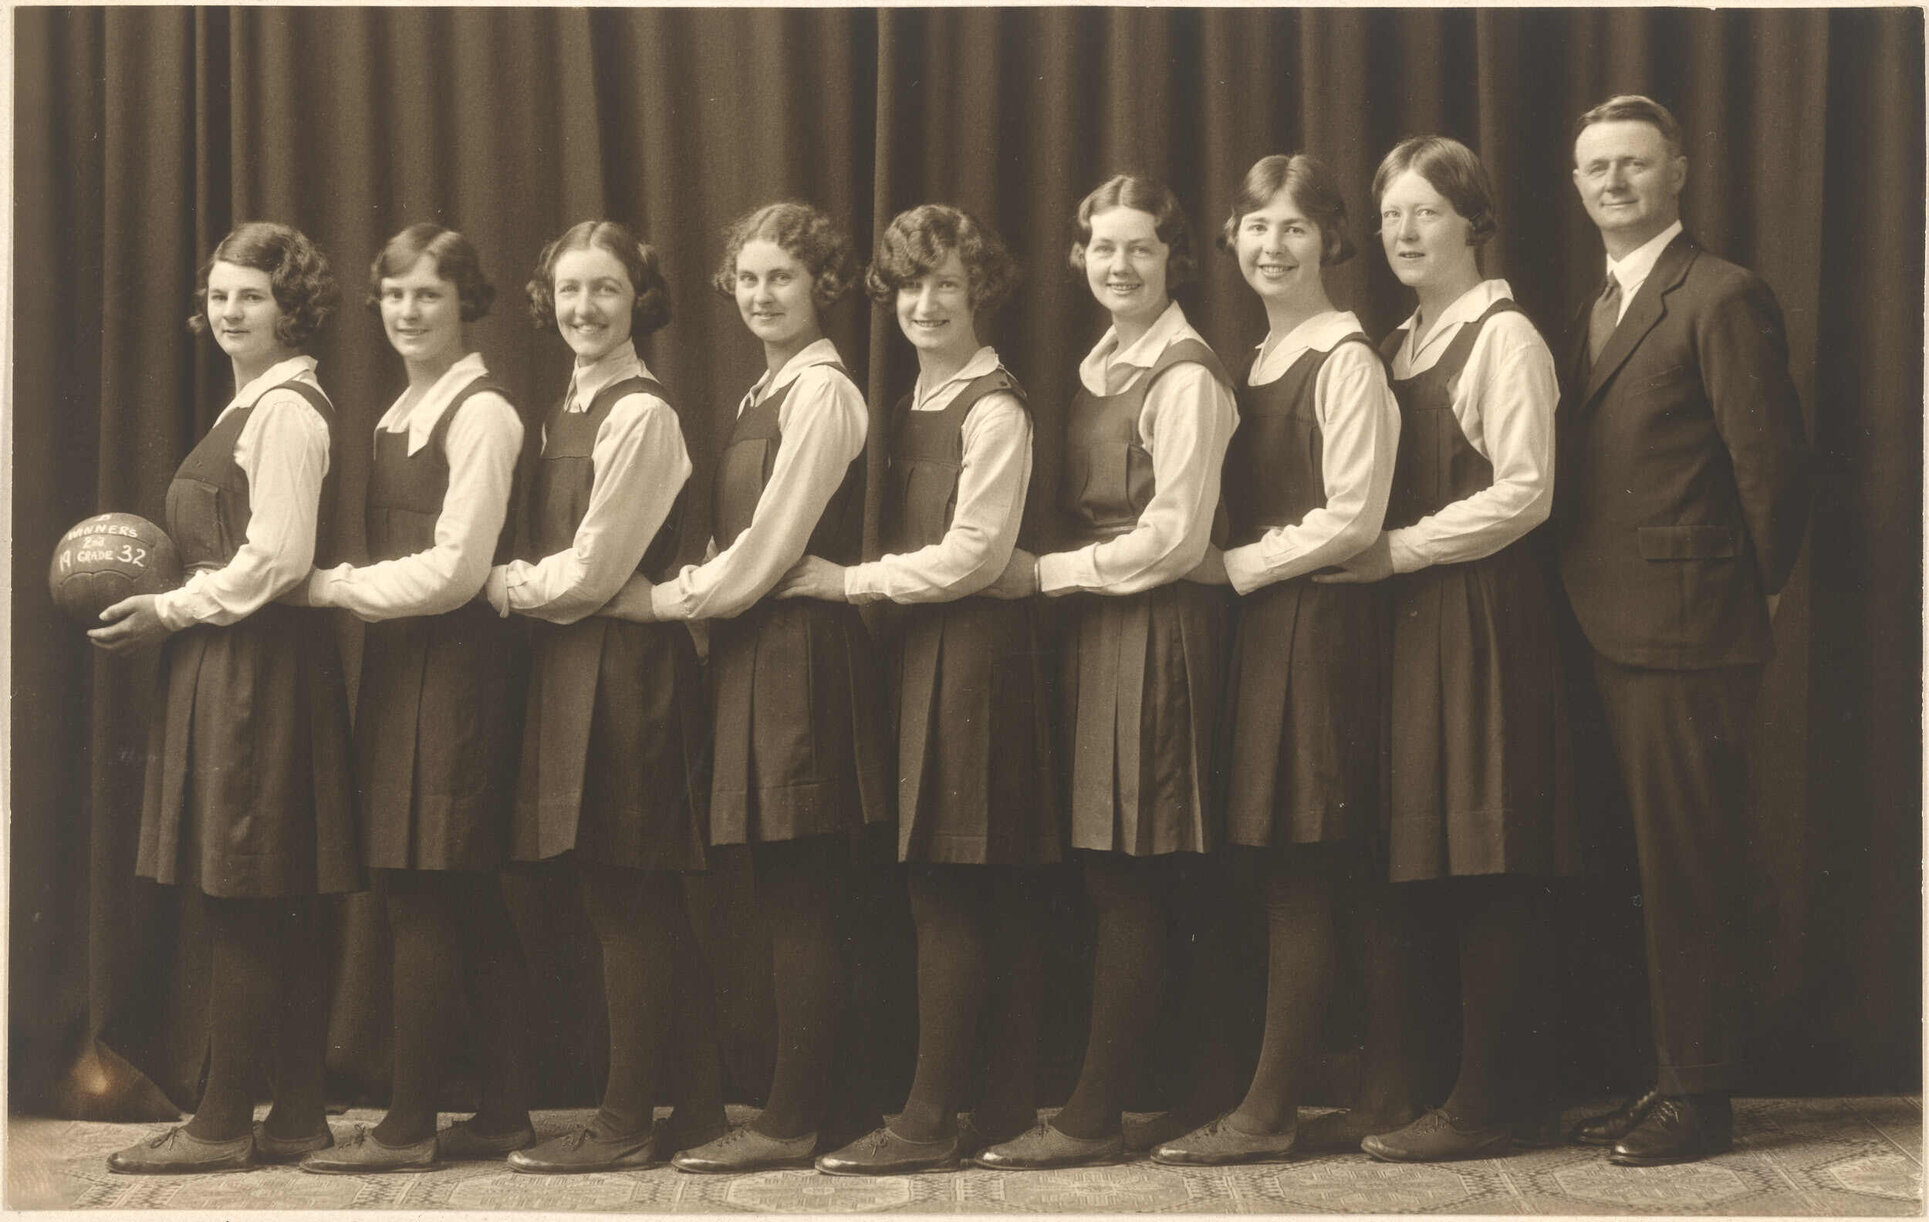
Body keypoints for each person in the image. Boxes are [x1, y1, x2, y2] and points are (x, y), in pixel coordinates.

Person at [599, 201, 890, 1174]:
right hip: (752, 653)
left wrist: (659, 602)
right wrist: (702, 597)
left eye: (784, 279)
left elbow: (768, 550)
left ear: (822, 288)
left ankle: (796, 1119)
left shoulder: (826, 395)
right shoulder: (763, 390)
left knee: (802, 893)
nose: (763, 296)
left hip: (804, 654)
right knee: (772, 892)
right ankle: (797, 1106)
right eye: (751, 278)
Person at [777, 205, 1059, 1175]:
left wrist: (847, 583)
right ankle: (997, 1104)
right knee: (945, 887)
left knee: (950, 887)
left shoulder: (995, 407)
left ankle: (932, 1116)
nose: (926, 303)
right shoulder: (916, 401)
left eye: (946, 282)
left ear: (981, 289)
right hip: (919, 657)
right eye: (910, 286)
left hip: (975, 657)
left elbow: (979, 556)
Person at [1557, 95, 1809, 1166]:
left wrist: (1756, 597)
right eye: (1595, 167)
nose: (1612, 182)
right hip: (1608, 624)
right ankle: (1656, 1078)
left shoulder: (1719, 294)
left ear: (1679, 174)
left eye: (1633, 164)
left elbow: (1772, 468)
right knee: (1640, 868)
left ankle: (1699, 1097)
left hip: (1692, 629)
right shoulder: (1603, 302)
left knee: (1689, 869)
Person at [971, 174, 1238, 1171]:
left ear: (1174, 260)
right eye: (1102, 248)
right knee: (1121, 868)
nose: (1118, 265)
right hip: (1101, 625)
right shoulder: (1100, 364)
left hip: (1158, 623)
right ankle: (1181, 1091)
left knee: (1131, 869)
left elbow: (1175, 536)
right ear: (1079, 258)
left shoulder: (1186, 375)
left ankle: (1092, 1114)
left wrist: (1048, 574)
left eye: (1139, 248)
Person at [1317, 136, 1574, 1162]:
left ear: (1473, 220)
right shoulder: (1396, 343)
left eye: (1425, 212)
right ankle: (1403, 1084)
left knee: (1484, 851)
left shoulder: (1504, 340)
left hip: (1477, 615)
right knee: (1411, 853)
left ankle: (1491, 1099)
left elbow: (1527, 491)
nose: (1403, 233)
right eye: (1389, 218)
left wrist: (1399, 552)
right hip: (1406, 621)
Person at [1149, 154, 1400, 1166]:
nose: (1272, 246)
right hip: (1267, 630)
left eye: (1295, 228)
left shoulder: (1345, 359)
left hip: (1319, 630)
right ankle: (1358, 1089)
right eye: (1256, 228)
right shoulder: (1255, 357)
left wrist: (1232, 566)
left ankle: (1269, 1110)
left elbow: (1355, 517)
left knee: (1309, 864)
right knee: (1292, 867)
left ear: (1333, 241)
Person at [95, 222, 360, 1174]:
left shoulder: (288, 412)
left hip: (259, 668)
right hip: (230, 666)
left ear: (291, 306)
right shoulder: (249, 405)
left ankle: (220, 1126)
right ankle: (294, 1117)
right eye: (218, 295)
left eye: (251, 295)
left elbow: (279, 562)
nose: (229, 311)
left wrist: (170, 610)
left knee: (245, 892)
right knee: (257, 889)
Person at [481, 220, 725, 1173]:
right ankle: (697, 1109)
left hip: (631, 676)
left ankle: (626, 1124)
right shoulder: (569, 404)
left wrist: (496, 586)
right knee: (627, 897)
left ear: (639, 301)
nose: (585, 308)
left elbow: (590, 575)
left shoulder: (641, 413)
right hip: (575, 670)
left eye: (607, 291)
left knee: (629, 898)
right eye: (571, 290)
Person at [297, 224, 536, 1174]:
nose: (408, 313)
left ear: (464, 301)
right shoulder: (400, 411)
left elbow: (455, 569)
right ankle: (506, 1115)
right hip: (401, 671)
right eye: (395, 296)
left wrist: (326, 587)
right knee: (439, 895)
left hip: (461, 672)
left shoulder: (482, 414)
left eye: (429, 296)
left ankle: (408, 1126)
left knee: (431, 893)